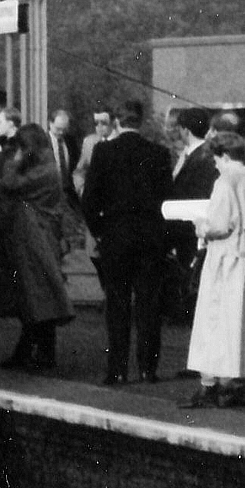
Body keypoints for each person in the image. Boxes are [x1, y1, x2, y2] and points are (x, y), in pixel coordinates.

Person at [181, 116, 245, 408]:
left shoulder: (226, 181)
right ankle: (237, 382)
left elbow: (219, 224)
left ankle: (213, 384)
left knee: (215, 322)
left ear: (221, 155)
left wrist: (200, 226)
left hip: (226, 261)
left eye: (216, 160)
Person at [82, 100, 175, 384]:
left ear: (117, 123)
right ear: (142, 122)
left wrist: (100, 231)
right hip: (150, 237)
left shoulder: (104, 151)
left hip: (115, 235)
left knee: (117, 305)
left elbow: (89, 199)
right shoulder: (159, 153)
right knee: (149, 304)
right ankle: (148, 368)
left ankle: (118, 369)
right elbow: (167, 199)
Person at [0, 124, 75, 373]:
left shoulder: (42, 171)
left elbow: (9, 183)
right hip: (39, 239)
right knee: (39, 298)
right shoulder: (46, 166)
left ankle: (35, 354)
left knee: (38, 298)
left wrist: (14, 160)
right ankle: (34, 353)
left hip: (36, 241)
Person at [163, 107, 220, 319]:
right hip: (187, 223)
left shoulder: (201, 157)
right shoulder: (195, 155)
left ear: (186, 130)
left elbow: (192, 193)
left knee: (190, 269)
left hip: (188, 223)